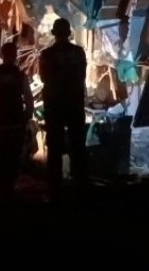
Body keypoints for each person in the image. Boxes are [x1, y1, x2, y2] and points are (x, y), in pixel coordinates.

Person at [39, 18, 88, 200]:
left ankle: (55, 189)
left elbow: (44, 78)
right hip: (74, 104)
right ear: (68, 33)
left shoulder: (47, 54)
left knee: (54, 147)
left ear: (54, 34)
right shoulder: (78, 52)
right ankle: (80, 186)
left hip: (54, 105)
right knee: (77, 145)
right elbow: (82, 76)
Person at [0, 42, 33, 204]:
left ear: (2, 55)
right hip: (16, 121)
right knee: (12, 157)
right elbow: (28, 98)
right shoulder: (20, 76)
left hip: (0, 122)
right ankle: (8, 189)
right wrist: (27, 116)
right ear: (15, 55)